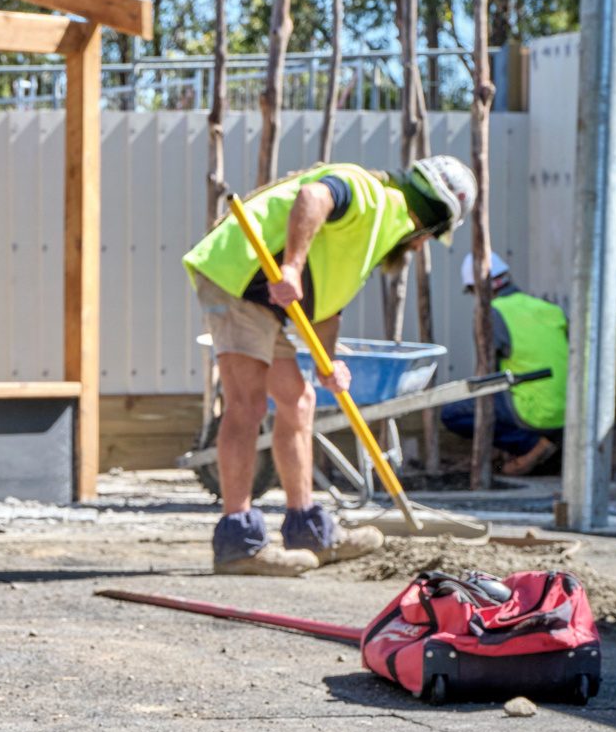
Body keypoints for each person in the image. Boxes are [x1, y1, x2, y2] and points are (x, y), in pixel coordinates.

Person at [183, 156, 475, 576]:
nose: (418, 247)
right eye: (427, 238)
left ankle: (308, 530)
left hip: (262, 296)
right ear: (428, 222)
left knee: (298, 400)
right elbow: (313, 196)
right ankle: (238, 540)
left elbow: (328, 304)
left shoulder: (377, 226)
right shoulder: (371, 195)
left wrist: (326, 362)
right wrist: (291, 266)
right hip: (238, 277)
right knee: (246, 404)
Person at [443, 252, 568, 477]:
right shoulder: (549, 309)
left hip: (534, 412)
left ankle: (530, 445)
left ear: (476, 288)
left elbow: (486, 376)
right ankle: (544, 443)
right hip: (568, 412)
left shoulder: (492, 314)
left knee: (452, 413)